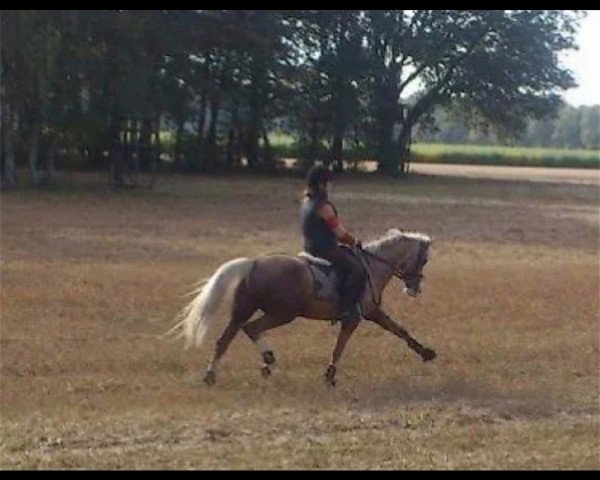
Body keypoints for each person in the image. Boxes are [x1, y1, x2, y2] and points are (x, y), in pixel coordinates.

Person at [300, 164, 367, 323]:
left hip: (309, 247)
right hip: (325, 250)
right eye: (328, 183)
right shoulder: (323, 206)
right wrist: (355, 241)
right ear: (321, 184)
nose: (330, 186)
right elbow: (340, 233)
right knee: (358, 269)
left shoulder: (306, 202)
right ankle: (346, 310)